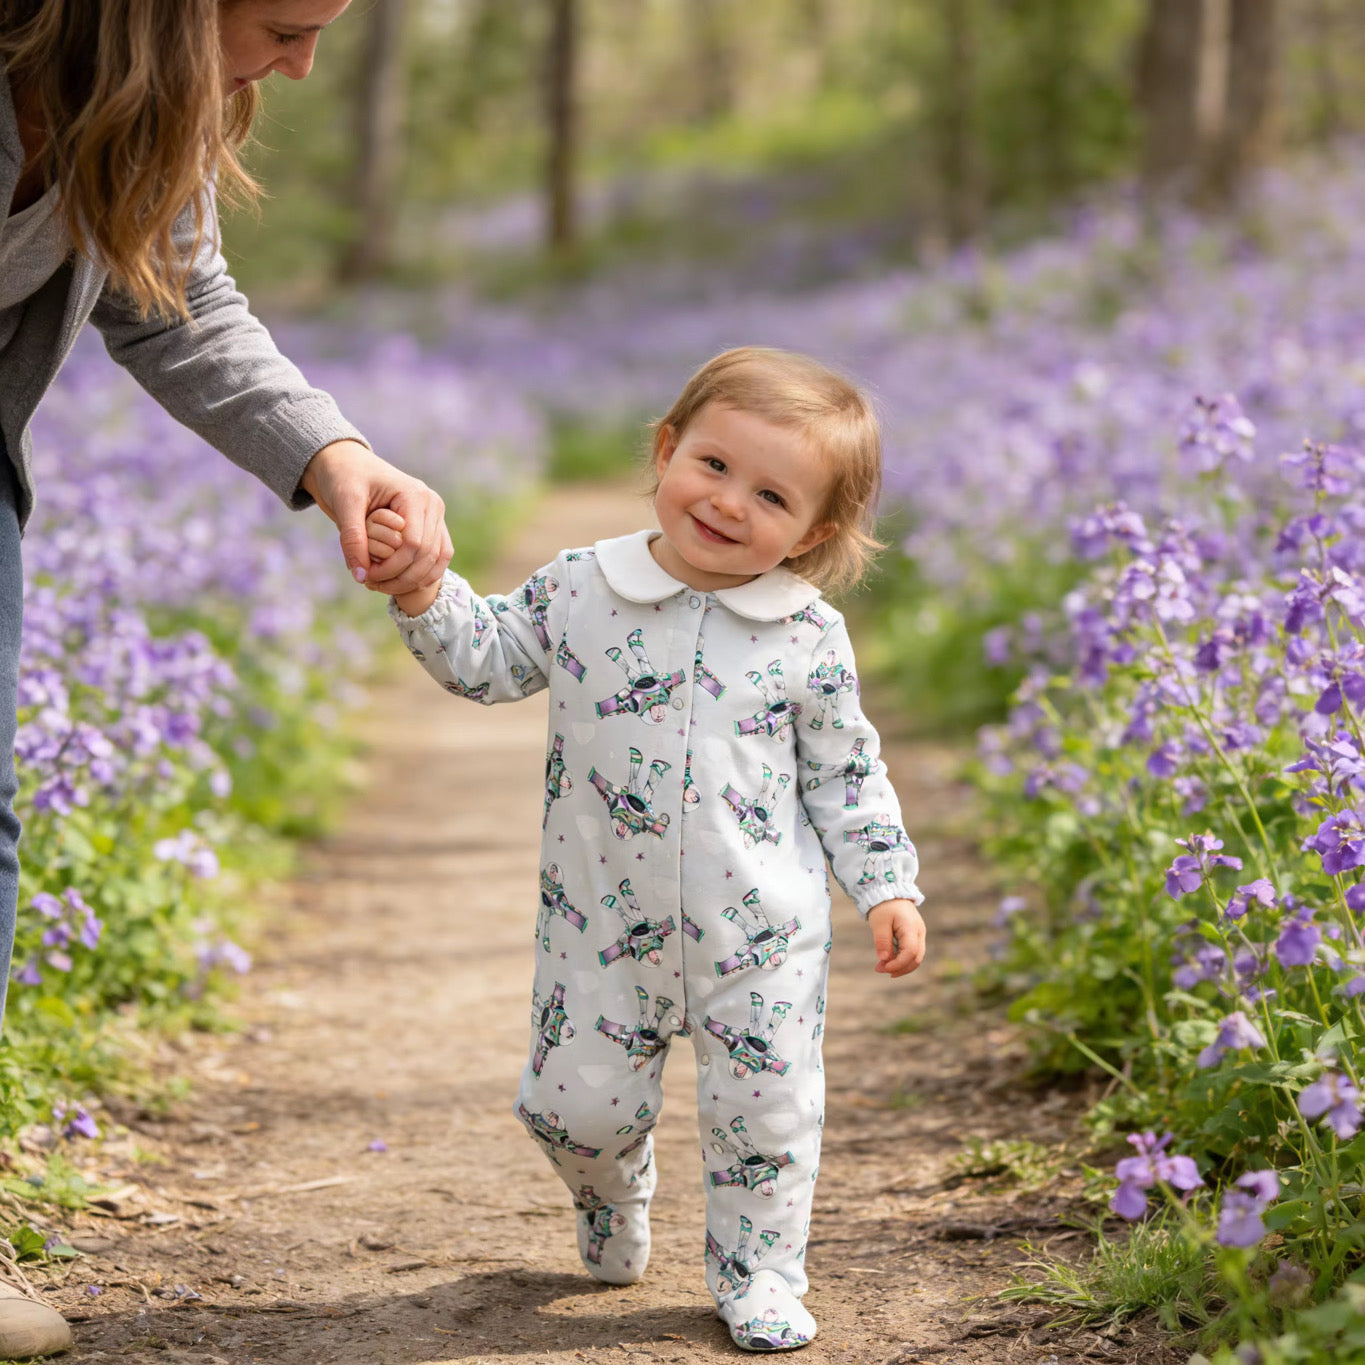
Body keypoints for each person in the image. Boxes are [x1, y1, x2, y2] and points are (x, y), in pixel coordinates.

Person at [0, 3, 449, 1355]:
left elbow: (175, 294)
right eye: (281, 22)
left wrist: (330, 454)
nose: (303, 65)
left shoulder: (145, 104)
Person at [367, 346, 928, 1353]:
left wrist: (888, 886)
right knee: (569, 1108)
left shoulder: (807, 635)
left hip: (760, 938)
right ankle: (609, 1193)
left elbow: (846, 773)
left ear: (816, 532)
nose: (727, 503)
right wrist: (422, 593)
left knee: (768, 1122)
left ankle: (757, 1276)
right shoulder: (584, 588)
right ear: (667, 450)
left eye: (771, 494)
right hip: (601, 926)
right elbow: (491, 659)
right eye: (712, 466)